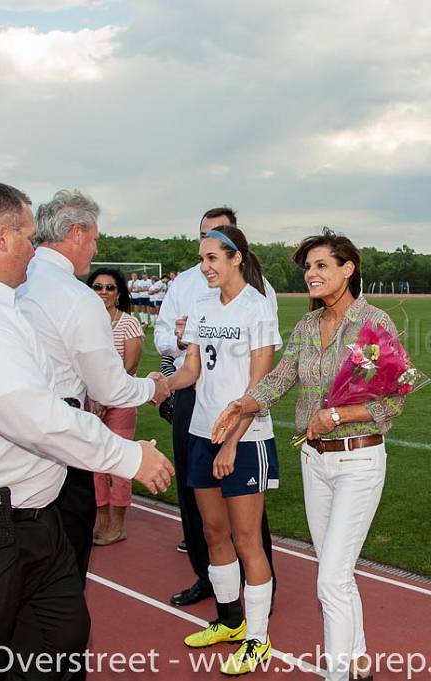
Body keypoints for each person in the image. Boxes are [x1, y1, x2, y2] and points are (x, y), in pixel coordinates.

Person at [0, 181, 174, 680]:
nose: (34, 248)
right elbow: (34, 415)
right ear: (1, 238)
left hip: (24, 525)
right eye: (27, 236)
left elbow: (48, 401)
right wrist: (130, 457)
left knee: (59, 646)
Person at [212, 228, 408, 681]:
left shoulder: (373, 325)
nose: (311, 274)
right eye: (308, 267)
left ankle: (338, 673)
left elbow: (394, 399)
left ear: (348, 269)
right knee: (336, 573)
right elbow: (281, 379)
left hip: (358, 460)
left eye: (322, 265)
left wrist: (337, 417)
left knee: (331, 580)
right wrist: (243, 402)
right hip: (314, 463)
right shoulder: (305, 327)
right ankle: (357, 661)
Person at [16, 189, 171, 582]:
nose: (96, 246)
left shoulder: (18, 282)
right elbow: (110, 389)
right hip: (62, 438)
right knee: (63, 573)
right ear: (77, 232)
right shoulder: (76, 297)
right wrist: (153, 388)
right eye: (96, 237)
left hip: (13, 436)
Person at [165, 224, 280, 675]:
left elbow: (261, 386)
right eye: (201, 258)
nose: (205, 266)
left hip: (246, 439)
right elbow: (192, 367)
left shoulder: (257, 308)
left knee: (248, 538)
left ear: (236, 258)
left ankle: (257, 638)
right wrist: (159, 385)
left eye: (212, 257)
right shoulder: (200, 305)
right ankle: (230, 621)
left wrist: (232, 440)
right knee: (213, 532)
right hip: (200, 433)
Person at [87, 267, 144, 546]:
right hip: (92, 402)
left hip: (120, 402)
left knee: (119, 465)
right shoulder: (84, 323)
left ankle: (118, 526)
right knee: (95, 465)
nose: (103, 293)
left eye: (109, 288)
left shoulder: (128, 324)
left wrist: (105, 398)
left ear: (118, 293)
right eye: (98, 287)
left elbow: (129, 367)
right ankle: (103, 523)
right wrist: (94, 399)